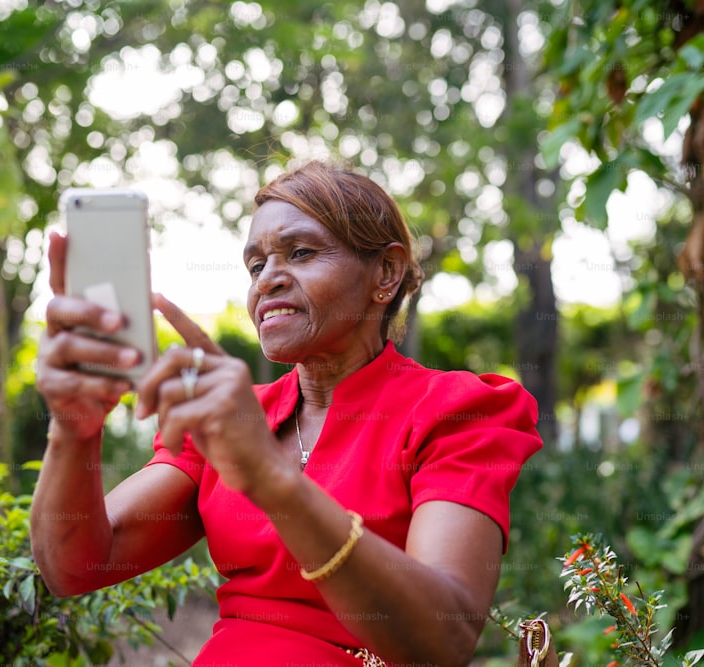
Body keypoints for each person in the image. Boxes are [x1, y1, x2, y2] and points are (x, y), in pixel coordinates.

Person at [31, 160, 543, 667]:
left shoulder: (457, 411)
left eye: (300, 253)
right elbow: (75, 566)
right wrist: (75, 428)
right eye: (256, 265)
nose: (268, 280)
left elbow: (443, 640)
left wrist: (273, 480)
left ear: (385, 272)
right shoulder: (232, 417)